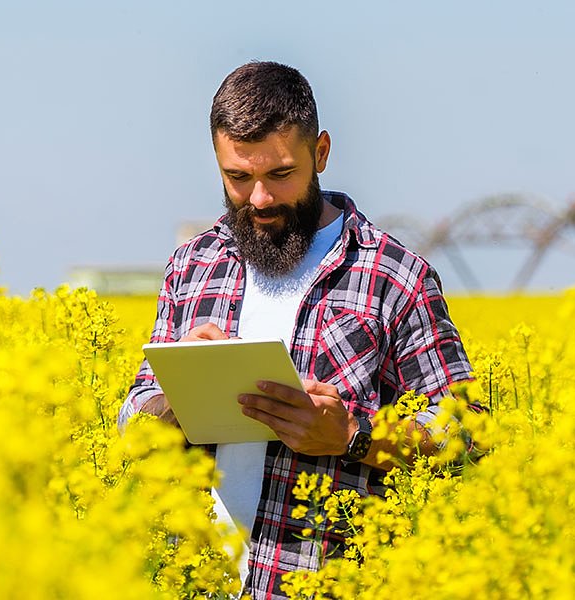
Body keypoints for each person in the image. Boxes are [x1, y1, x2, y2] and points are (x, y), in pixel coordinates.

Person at [118, 61, 475, 599]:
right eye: (238, 178)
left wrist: (353, 436)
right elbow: (132, 422)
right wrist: (175, 393)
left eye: (281, 175)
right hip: (193, 585)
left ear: (321, 153)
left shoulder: (394, 276)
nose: (259, 198)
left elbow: (468, 433)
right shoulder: (192, 266)